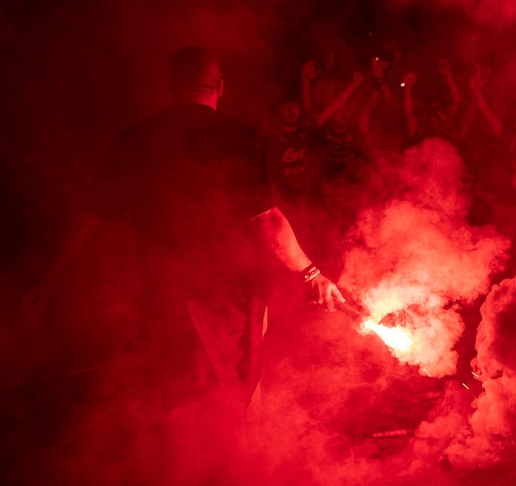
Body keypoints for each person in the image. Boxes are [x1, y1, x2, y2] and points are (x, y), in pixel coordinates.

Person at [58, 46, 345, 484]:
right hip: (231, 298)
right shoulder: (240, 137)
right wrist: (311, 273)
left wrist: (50, 274)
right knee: (241, 399)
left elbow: (89, 215)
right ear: (221, 87)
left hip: (161, 297)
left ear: (172, 87)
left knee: (174, 406)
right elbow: (267, 220)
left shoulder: (134, 139)